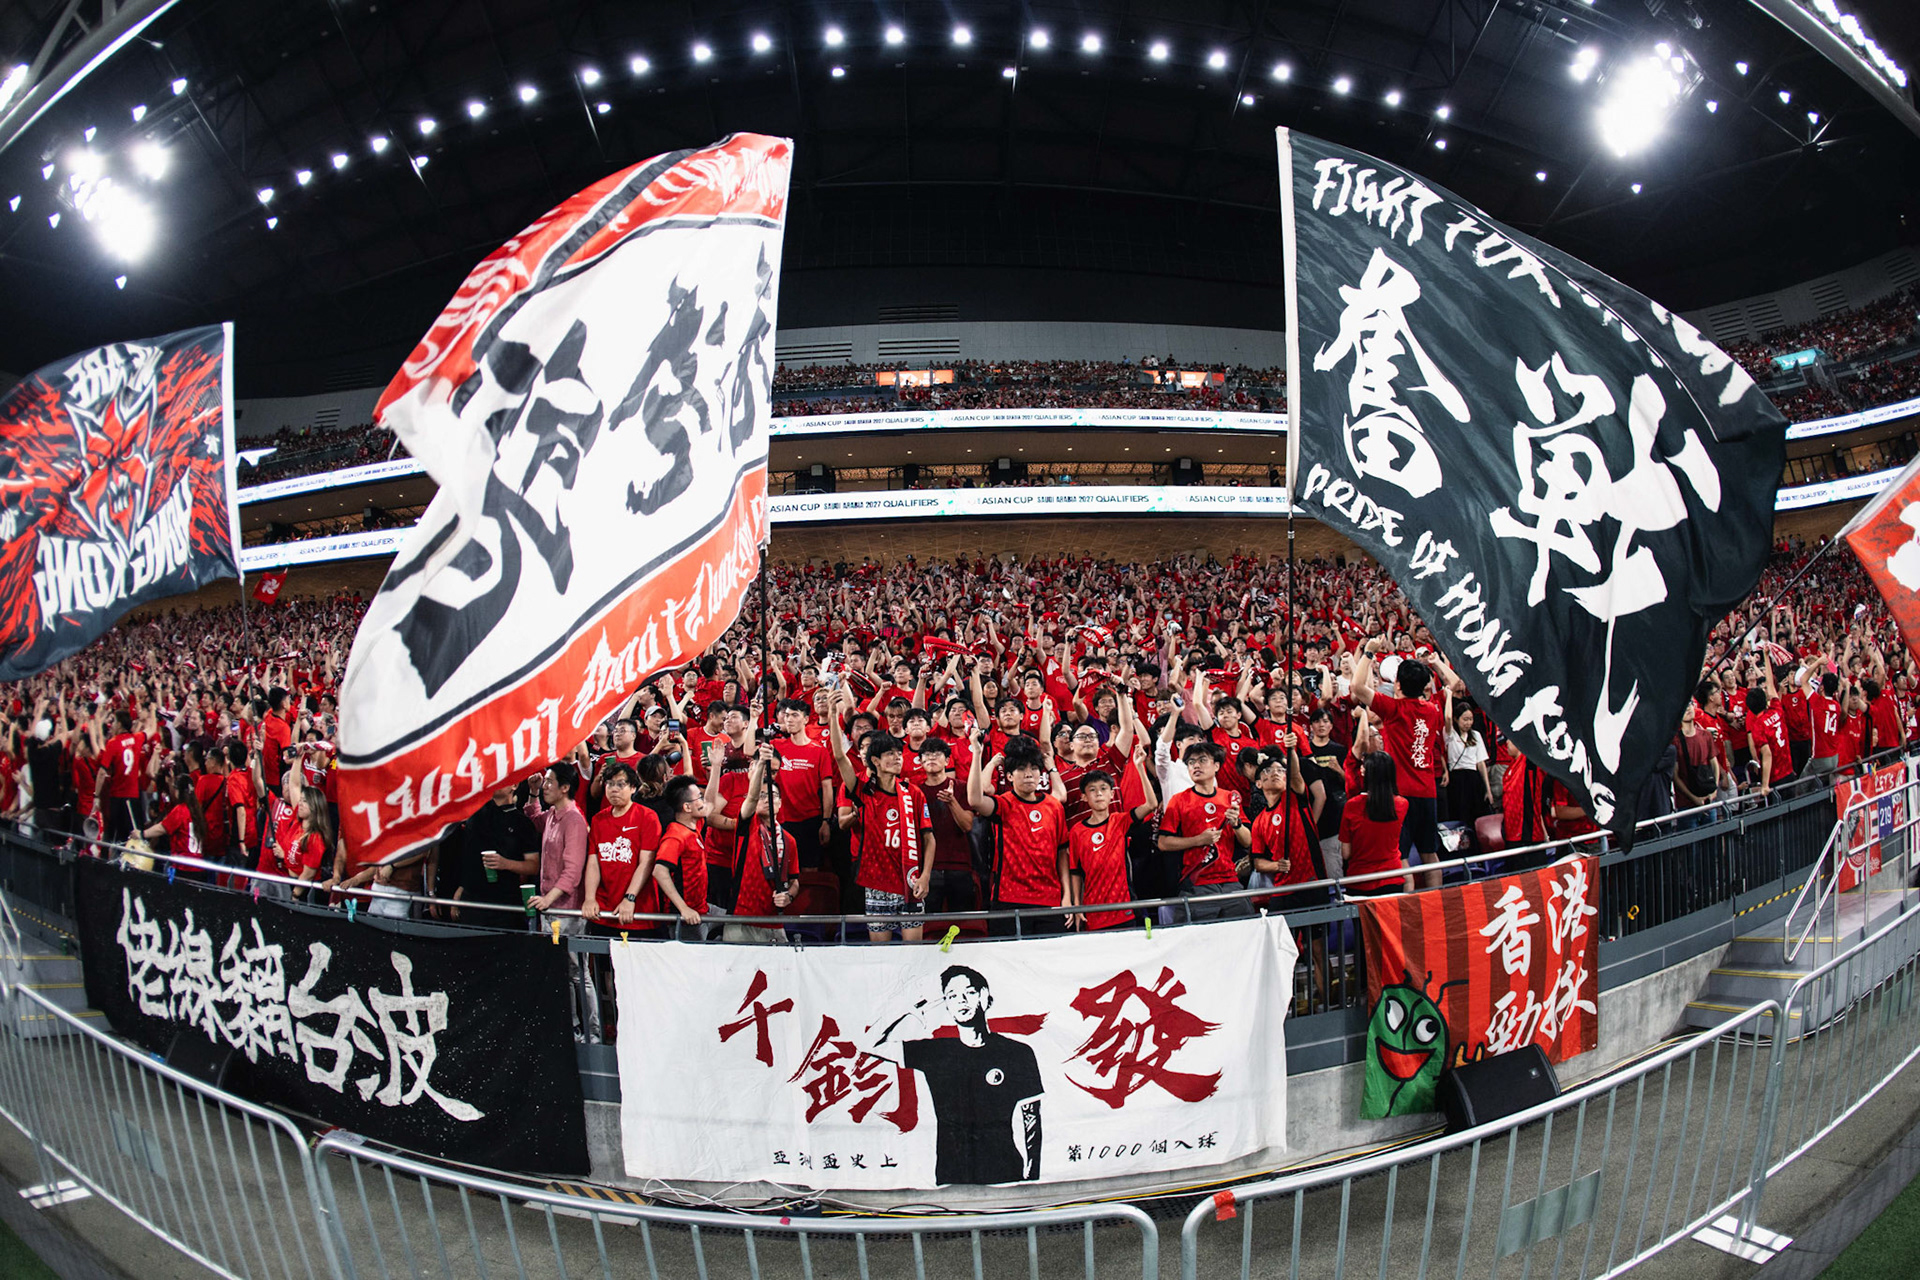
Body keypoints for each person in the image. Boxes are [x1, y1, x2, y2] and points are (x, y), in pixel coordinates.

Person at [868, 965, 1044, 1185]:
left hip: (1004, 1170)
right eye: (952, 996)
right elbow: (872, 1043)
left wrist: (1032, 1176)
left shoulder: (1018, 1053)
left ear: (983, 995)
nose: (961, 1001)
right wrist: (913, 1007)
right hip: (952, 1173)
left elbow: (1032, 1122)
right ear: (946, 1004)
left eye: (969, 993)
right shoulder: (936, 1051)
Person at [1351, 646, 1448, 889]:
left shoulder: (1393, 709)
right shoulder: (1433, 710)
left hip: (1401, 795)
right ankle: (1435, 901)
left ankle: (1408, 904)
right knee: (1429, 853)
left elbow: (1357, 688)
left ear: (1397, 685)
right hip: (1428, 792)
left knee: (1401, 854)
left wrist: (1368, 653)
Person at [967, 733, 1070, 936]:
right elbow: (974, 800)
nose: (1029, 774)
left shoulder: (1054, 806)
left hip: (1049, 899)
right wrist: (978, 754)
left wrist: (1067, 895)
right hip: (1008, 899)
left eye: (1033, 768)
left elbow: (1062, 853)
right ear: (1009, 776)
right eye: (1021, 769)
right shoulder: (1003, 804)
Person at [838, 731, 934, 943]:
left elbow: (929, 838)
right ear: (875, 761)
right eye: (890, 753)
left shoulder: (913, 793)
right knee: (882, 955)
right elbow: (839, 757)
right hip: (877, 884)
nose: (898, 757)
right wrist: (835, 715)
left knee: (913, 952)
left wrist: (926, 875)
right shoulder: (864, 793)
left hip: (910, 882)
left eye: (899, 753)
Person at [1157, 740, 1252, 921]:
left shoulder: (1229, 797)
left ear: (1216, 766)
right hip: (1197, 883)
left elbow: (1247, 841)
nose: (1195, 766)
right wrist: (1199, 840)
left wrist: (1237, 824)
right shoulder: (1179, 800)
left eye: (1202, 760)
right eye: (1191, 762)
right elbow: (1163, 842)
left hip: (1230, 881)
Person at [1066, 760, 1156, 931]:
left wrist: (1139, 768)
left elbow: (1151, 805)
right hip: (1093, 910)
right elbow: (1075, 872)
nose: (1098, 793)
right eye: (1092, 790)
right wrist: (1077, 907)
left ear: (1112, 794)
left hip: (1124, 908)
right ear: (1084, 797)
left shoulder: (1120, 821)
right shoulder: (1077, 831)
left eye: (1103, 789)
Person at [1341, 752, 1410, 896]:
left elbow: (1346, 853)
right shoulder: (1402, 804)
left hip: (1359, 880)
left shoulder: (1352, 806)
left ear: (1367, 774)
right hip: (1392, 878)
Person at [651, 775, 710, 941]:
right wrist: (684, 909)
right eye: (699, 797)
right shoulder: (675, 837)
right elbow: (659, 871)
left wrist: (716, 767)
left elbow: (711, 803)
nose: (703, 801)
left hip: (703, 909)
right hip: (685, 919)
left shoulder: (694, 824)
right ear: (687, 807)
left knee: (734, 920)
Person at [1442, 703, 1493, 829]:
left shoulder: (1476, 735)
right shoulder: (1450, 734)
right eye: (1465, 719)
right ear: (1456, 719)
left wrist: (1488, 789)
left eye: (1470, 719)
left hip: (1473, 778)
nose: (1468, 723)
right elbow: (1447, 718)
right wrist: (1448, 696)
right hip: (1457, 778)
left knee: (1476, 814)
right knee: (1460, 814)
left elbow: (1480, 762)